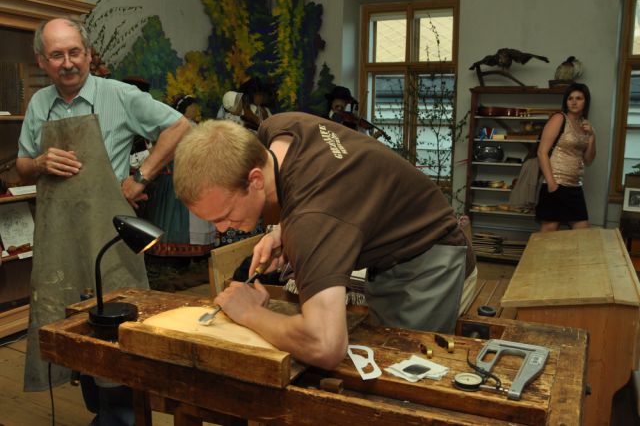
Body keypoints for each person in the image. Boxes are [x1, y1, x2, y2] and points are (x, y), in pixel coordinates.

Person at [173, 112, 475, 369]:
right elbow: (320, 190)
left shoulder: (312, 221)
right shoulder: (279, 128)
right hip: (395, 246)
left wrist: (250, 312)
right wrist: (280, 232)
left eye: (224, 215)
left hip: (430, 260)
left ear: (255, 180)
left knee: (405, 378)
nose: (221, 229)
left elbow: (325, 345)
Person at [16, 17, 190, 423]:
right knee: (74, 324)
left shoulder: (120, 95)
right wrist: (40, 162)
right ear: (42, 60)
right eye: (57, 55)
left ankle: (123, 413)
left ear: (89, 53)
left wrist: (140, 177)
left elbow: (179, 126)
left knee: (118, 325)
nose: (68, 63)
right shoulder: (40, 104)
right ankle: (102, 411)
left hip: (109, 233)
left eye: (74, 52)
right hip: (60, 235)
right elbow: (22, 166)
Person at [144, 94, 216, 289]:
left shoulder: (195, 127)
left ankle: (193, 258)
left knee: (194, 218)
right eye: (191, 106)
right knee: (175, 217)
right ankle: (171, 260)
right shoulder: (176, 127)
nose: (195, 109)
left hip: (192, 174)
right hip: (177, 175)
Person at [536, 83, 596, 232]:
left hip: (575, 186)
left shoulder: (585, 125)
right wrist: (552, 184)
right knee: (549, 233)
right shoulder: (559, 118)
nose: (574, 102)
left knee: (583, 233)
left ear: (586, 102)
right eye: (570, 98)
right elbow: (542, 152)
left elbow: (588, 160)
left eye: (579, 98)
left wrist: (592, 136)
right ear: (566, 101)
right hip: (555, 183)